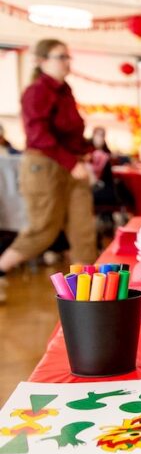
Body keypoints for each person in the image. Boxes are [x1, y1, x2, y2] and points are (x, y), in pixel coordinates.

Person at [0, 39, 96, 303]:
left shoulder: (65, 91)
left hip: (71, 166)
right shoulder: (37, 91)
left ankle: (87, 298)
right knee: (43, 230)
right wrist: (72, 162)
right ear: (43, 61)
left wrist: (87, 149)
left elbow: (71, 132)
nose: (67, 61)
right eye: (60, 56)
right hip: (44, 166)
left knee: (83, 232)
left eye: (68, 56)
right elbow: (39, 134)